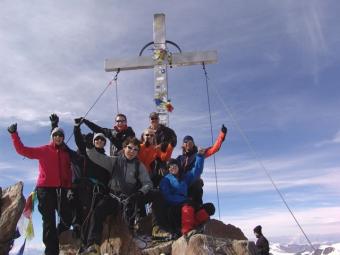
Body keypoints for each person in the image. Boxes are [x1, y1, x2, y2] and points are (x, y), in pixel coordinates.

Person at [8, 123, 73, 255]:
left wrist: (69, 187)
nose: (58, 137)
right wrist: (14, 134)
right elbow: (23, 150)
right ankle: (51, 251)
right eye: (55, 135)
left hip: (61, 190)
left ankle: (55, 237)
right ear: (52, 137)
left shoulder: (66, 154)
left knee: (68, 217)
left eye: (61, 135)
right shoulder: (44, 150)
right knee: (49, 220)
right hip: (45, 190)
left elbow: (69, 173)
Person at [80, 137, 153, 255]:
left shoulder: (139, 166)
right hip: (112, 197)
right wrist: (89, 147)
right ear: (124, 148)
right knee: (97, 212)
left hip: (128, 200)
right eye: (129, 148)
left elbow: (148, 183)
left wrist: (140, 193)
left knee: (127, 225)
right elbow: (97, 157)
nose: (132, 151)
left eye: (135, 149)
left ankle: (130, 243)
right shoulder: (114, 161)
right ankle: (93, 246)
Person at [73, 117, 112, 247]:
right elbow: (79, 142)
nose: (100, 141)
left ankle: (92, 244)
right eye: (97, 139)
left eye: (102, 139)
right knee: (87, 215)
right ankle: (85, 245)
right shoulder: (88, 152)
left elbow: (109, 176)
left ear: (104, 143)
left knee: (97, 215)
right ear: (93, 141)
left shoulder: (107, 158)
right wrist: (76, 127)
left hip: (101, 190)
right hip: (87, 188)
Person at [159, 152, 215, 236]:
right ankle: (187, 231)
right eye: (169, 167)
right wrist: (184, 200)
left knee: (210, 208)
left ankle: (194, 225)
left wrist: (199, 156)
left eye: (173, 165)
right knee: (188, 204)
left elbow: (196, 171)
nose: (172, 167)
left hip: (187, 206)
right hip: (174, 209)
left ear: (178, 165)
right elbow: (167, 196)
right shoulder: (165, 180)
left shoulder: (184, 177)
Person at [176, 124, 227, 205]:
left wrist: (222, 135)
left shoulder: (199, 154)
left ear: (193, 144)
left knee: (197, 186)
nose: (188, 143)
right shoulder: (179, 158)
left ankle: (199, 208)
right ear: (183, 145)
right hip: (182, 184)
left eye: (190, 142)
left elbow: (214, 149)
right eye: (186, 142)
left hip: (194, 182)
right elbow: (172, 169)